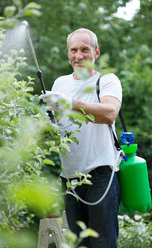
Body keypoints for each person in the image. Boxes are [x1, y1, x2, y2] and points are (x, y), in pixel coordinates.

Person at [40, 28, 122, 248]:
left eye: (85, 49)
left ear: (95, 52)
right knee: (79, 244)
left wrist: (69, 103)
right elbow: (56, 129)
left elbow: (109, 113)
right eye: (73, 50)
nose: (78, 56)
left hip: (101, 175)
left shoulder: (106, 80)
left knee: (102, 244)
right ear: (68, 54)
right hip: (69, 178)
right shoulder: (60, 84)